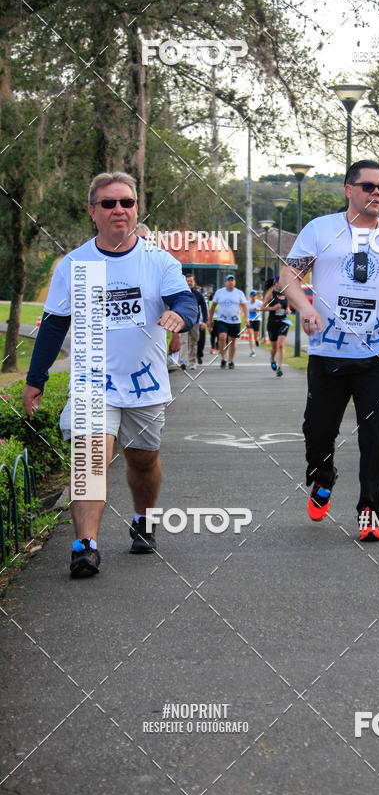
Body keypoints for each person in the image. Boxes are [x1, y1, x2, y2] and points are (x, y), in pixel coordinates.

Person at [22, 171, 197, 577]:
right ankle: (85, 546)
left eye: (127, 202)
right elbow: (52, 325)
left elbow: (186, 302)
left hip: (145, 384)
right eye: (109, 203)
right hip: (92, 383)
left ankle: (144, 520)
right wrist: (36, 378)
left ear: (136, 209)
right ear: (93, 212)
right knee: (90, 460)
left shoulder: (158, 260)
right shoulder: (74, 264)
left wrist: (179, 317)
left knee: (142, 460)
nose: (119, 209)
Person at [280, 159, 379, 542]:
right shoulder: (321, 230)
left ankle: (369, 511)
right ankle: (323, 476)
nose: (377, 194)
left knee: (374, 437)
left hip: (378, 354)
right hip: (327, 352)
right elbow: (289, 276)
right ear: (349, 189)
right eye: (369, 187)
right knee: (318, 432)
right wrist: (306, 305)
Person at [208, 274, 248, 369]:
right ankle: (223, 358)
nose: (231, 282)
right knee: (222, 337)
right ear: (225, 282)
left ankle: (231, 360)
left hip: (235, 321)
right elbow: (213, 306)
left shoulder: (239, 293)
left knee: (232, 341)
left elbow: (244, 306)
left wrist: (246, 318)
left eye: (232, 280)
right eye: (228, 281)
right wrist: (210, 319)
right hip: (222, 319)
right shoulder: (219, 292)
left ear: (234, 282)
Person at [262, 277, 291, 376]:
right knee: (274, 348)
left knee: (281, 345)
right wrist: (273, 308)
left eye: (281, 283)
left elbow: (287, 307)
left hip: (283, 322)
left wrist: (288, 310)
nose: (280, 285)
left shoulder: (286, 294)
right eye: (278, 283)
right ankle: (272, 359)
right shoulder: (271, 294)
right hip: (272, 323)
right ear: (275, 284)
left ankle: (280, 367)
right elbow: (262, 308)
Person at [180, 274, 207, 370]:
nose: (189, 283)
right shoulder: (180, 293)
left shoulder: (198, 295)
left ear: (194, 282)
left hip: (195, 322)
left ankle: (192, 361)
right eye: (187, 281)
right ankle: (183, 361)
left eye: (191, 281)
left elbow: (204, 307)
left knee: (194, 341)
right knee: (183, 341)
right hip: (183, 322)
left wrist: (204, 321)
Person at [247, 290, 262, 356]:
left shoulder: (259, 302)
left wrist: (259, 309)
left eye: (255, 295)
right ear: (250, 296)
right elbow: (244, 309)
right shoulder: (247, 303)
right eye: (252, 295)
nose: (254, 297)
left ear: (256, 296)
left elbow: (265, 307)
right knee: (250, 335)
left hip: (257, 320)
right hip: (249, 320)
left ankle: (257, 340)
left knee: (256, 336)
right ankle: (252, 351)